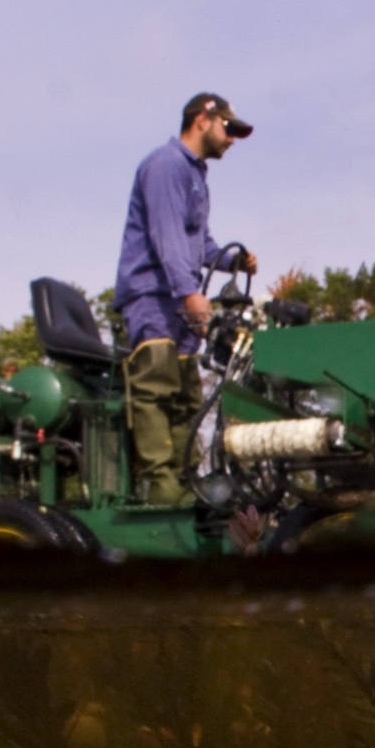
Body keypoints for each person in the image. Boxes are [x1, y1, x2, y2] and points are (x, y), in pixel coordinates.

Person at [113, 93, 260, 506]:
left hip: (176, 302)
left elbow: (201, 244)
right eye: (228, 129)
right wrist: (190, 292)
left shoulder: (195, 176)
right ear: (202, 120)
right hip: (153, 297)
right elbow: (166, 236)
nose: (231, 139)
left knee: (186, 398)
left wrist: (233, 261)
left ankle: (184, 487)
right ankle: (162, 489)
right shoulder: (165, 166)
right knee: (156, 389)